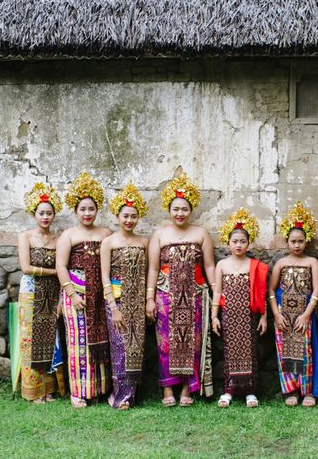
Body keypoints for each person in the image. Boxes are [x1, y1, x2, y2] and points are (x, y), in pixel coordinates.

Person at [147, 171, 214, 407]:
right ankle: (167, 389)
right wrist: (149, 298)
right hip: (166, 294)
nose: (180, 213)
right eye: (175, 209)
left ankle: (187, 388)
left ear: (191, 210)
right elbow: (153, 269)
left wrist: (215, 295)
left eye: (184, 209)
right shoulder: (160, 235)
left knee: (192, 343)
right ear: (169, 209)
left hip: (195, 293)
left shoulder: (201, 234)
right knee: (165, 342)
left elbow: (208, 265)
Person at [55, 172, 112, 408]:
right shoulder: (69, 235)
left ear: (97, 210)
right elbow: (61, 265)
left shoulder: (106, 234)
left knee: (102, 341)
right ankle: (78, 392)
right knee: (78, 342)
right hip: (76, 294)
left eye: (91, 209)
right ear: (75, 211)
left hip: (100, 294)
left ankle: (99, 389)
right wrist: (71, 294)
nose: (87, 213)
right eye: (82, 209)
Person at [269, 202, 318, 407]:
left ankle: (307, 391)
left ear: (306, 241)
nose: (297, 245)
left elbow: (317, 289)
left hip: (304, 314)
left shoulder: (311, 262)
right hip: (285, 315)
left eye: (301, 241)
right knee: (286, 351)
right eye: (293, 241)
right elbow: (271, 290)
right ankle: (291, 391)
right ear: (287, 241)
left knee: (306, 351)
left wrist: (307, 314)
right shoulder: (281, 263)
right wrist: (276, 314)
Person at [211, 208, 268, 408]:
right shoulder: (222, 266)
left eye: (242, 241)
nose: (238, 245)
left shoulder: (255, 265)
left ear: (248, 243)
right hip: (229, 317)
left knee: (250, 352)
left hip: (249, 317)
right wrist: (214, 317)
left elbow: (262, 294)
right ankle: (228, 390)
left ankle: (250, 392)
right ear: (228, 242)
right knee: (229, 353)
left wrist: (264, 317)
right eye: (235, 241)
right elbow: (217, 292)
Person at [100, 182, 149, 410]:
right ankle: (120, 397)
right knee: (119, 348)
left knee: (136, 348)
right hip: (117, 302)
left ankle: (131, 395)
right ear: (117, 216)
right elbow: (105, 276)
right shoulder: (108, 242)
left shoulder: (144, 242)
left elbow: (149, 272)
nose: (129, 220)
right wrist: (114, 307)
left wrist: (148, 300)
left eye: (133, 216)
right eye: (125, 215)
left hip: (138, 303)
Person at [16, 182, 66, 403]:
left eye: (49, 213)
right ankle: (33, 390)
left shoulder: (58, 239)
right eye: (41, 213)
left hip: (53, 294)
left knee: (51, 339)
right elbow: (26, 268)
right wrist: (54, 271)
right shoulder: (25, 237)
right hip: (30, 293)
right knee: (31, 341)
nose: (45, 217)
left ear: (54, 214)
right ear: (33, 214)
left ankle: (48, 389)